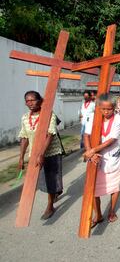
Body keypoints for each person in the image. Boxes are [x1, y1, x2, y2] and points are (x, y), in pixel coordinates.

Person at [18, 91, 64, 220]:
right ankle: (55, 191)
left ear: (40, 100)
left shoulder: (49, 115)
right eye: (27, 101)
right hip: (35, 154)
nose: (30, 103)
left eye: (33, 100)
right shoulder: (25, 117)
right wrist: (21, 157)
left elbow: (50, 134)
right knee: (44, 179)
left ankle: (50, 206)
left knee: (52, 177)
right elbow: (24, 137)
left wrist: (42, 154)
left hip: (52, 152)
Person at [83, 94, 120, 227]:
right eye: (103, 109)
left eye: (109, 109)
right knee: (93, 188)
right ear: (98, 108)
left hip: (112, 156)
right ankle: (98, 214)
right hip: (95, 158)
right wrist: (91, 152)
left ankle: (112, 211)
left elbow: (112, 139)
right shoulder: (93, 118)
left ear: (114, 108)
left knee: (114, 187)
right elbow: (86, 135)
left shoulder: (119, 119)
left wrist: (93, 150)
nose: (106, 112)